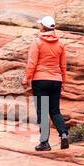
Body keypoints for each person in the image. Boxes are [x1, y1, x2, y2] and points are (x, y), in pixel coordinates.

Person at [24, 15, 68, 150]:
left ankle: (45, 143)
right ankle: (64, 134)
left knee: (43, 111)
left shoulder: (37, 42)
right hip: (56, 80)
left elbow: (32, 63)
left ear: (43, 27)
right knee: (55, 111)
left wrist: (26, 78)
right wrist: (63, 82)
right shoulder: (60, 44)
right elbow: (63, 66)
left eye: (40, 24)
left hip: (40, 80)